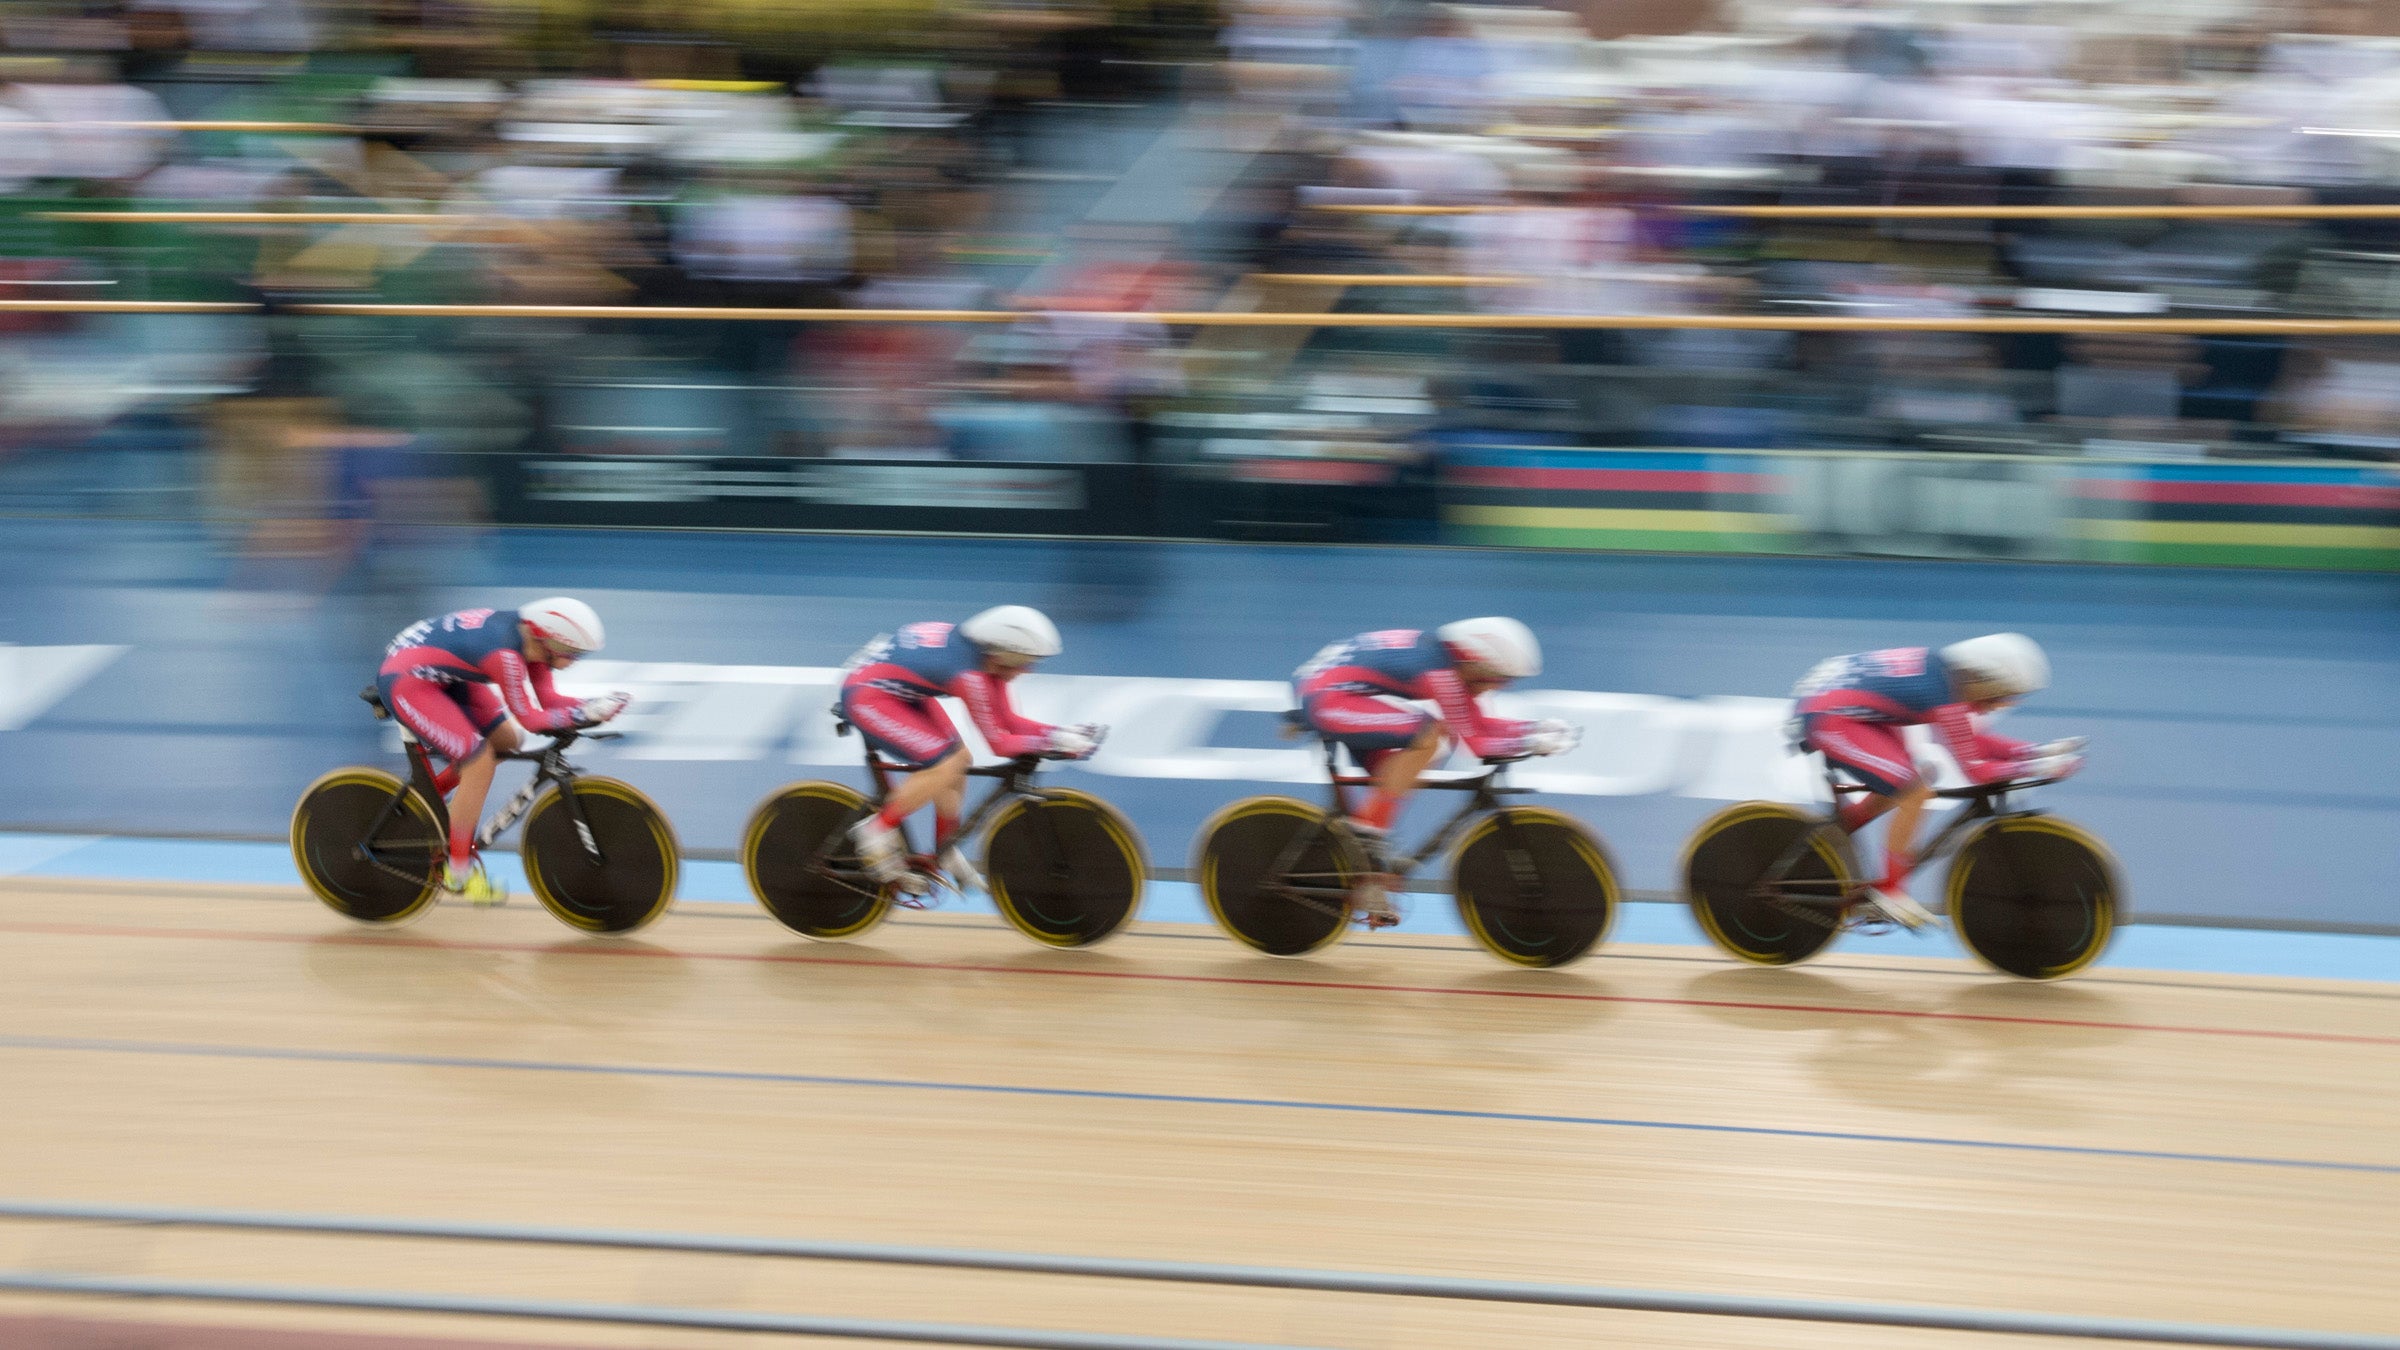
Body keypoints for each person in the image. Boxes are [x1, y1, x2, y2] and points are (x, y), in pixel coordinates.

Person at [1293, 618, 1579, 926]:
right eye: (1497, 677)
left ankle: (1365, 865)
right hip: (1327, 699)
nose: (1498, 686)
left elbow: (1477, 725)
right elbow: (1477, 741)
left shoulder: (1446, 660)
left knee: (1403, 767)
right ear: (1474, 661)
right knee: (1428, 735)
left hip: (1327, 689)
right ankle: (1366, 838)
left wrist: (1533, 730)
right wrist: (1530, 739)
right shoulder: (1439, 673)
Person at [1790, 633, 2085, 929]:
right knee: (1913, 791)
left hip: (1843, 707)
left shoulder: (1948, 678)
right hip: (1829, 717)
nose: (2000, 706)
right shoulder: (1941, 692)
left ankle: (1836, 835)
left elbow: (1975, 742)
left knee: (1912, 779)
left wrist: (2037, 752)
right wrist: (2038, 766)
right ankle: (1889, 890)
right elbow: (1976, 771)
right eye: (2001, 696)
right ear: (1984, 679)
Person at [376, 598, 631, 902]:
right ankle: (458, 871)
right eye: (573, 653)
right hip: (407, 681)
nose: (575, 661)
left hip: (439, 673)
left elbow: (549, 701)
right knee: (479, 762)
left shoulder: (533, 640)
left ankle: (432, 800)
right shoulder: (505, 655)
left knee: (507, 741)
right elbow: (532, 719)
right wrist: (585, 714)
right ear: (549, 641)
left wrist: (594, 705)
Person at [839, 606, 1104, 896]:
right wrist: (1052, 744)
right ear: (1002, 654)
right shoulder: (969, 675)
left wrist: (1058, 734)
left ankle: (945, 849)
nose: (1028, 669)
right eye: (1024, 661)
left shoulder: (986, 657)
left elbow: (1009, 720)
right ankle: (875, 829)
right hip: (868, 697)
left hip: (897, 690)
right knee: (944, 765)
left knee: (960, 759)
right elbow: (999, 742)